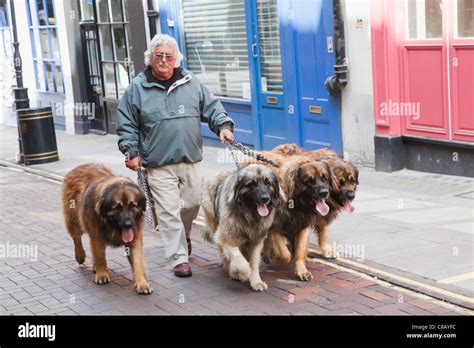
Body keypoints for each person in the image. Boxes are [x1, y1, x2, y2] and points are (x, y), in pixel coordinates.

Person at [117, 34, 235, 277]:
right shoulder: (137, 88)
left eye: (168, 57)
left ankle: (184, 235)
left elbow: (211, 107)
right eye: (158, 56)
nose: (163, 60)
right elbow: (126, 123)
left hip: (190, 159)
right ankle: (179, 258)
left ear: (175, 60)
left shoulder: (191, 83)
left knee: (191, 205)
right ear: (150, 59)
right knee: (168, 212)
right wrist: (131, 151)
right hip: (158, 164)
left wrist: (223, 126)